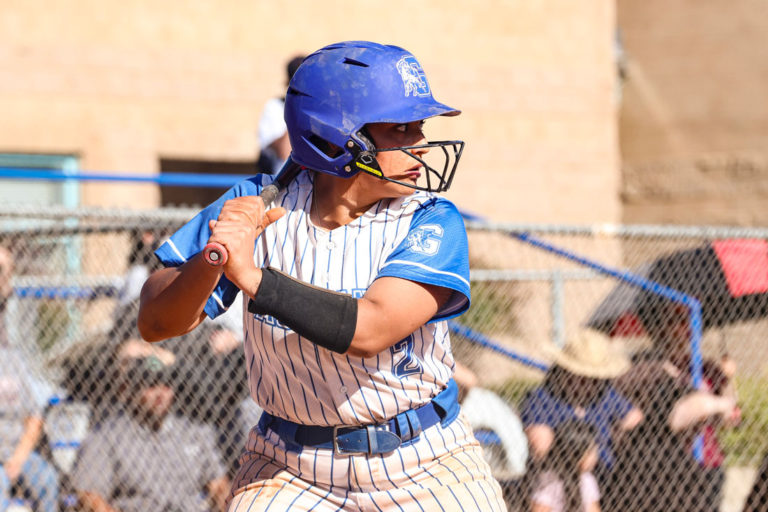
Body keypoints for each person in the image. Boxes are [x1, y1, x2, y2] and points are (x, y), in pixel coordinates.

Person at [138, 40, 506, 511]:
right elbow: (155, 322)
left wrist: (252, 277)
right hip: (290, 468)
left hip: (426, 460)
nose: (420, 144)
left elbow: (371, 328)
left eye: (420, 127)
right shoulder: (258, 201)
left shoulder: (430, 218)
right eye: (400, 129)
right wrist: (213, 258)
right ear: (336, 140)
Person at [609, 299, 740, 512]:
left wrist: (727, 378)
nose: (679, 328)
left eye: (683, 320)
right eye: (672, 320)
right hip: (669, 460)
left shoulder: (705, 366)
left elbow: (728, 413)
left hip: (707, 458)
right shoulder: (647, 365)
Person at [71, 345, 230, 512]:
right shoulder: (107, 437)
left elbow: (219, 485)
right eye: (151, 385)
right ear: (130, 391)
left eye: (166, 384)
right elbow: (90, 495)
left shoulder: (192, 433)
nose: (160, 393)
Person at [519, 329, 643, 488]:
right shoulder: (542, 398)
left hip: (607, 479)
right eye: (582, 378)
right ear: (566, 372)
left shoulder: (603, 394)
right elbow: (541, 446)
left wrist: (618, 434)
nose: (590, 384)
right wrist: (581, 451)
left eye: (594, 378)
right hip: (557, 479)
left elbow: (635, 417)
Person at [0, 247, 60, 512]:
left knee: (47, 479)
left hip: (15, 451)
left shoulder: (10, 358)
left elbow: (34, 418)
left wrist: (17, 460)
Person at [529, 420, 601, 512]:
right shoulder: (550, 482)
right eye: (591, 452)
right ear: (578, 455)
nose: (596, 456)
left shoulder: (587, 480)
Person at [255, 54, 305, 174]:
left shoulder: (321, 111)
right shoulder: (274, 107)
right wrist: (299, 108)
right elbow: (285, 152)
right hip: (282, 184)